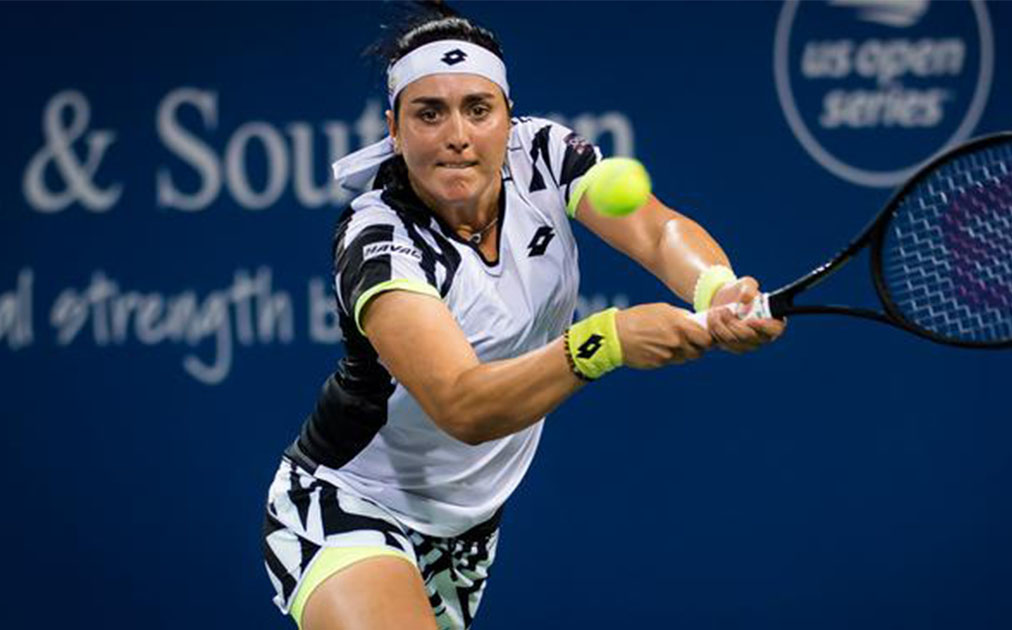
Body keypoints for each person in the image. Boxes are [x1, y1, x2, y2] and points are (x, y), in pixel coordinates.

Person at [261, 4, 785, 630]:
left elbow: (656, 230)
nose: (457, 134)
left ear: (507, 118)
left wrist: (716, 290)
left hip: (467, 534)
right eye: (429, 113)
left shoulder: (542, 154)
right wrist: (606, 341)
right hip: (346, 501)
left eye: (478, 109)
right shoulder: (378, 238)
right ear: (394, 130)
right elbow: (464, 406)